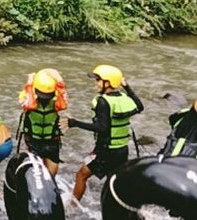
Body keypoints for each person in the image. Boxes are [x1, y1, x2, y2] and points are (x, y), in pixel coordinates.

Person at [61, 65, 144, 202]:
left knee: (81, 175)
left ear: (108, 83)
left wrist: (75, 123)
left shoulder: (103, 101)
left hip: (106, 151)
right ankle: (128, 208)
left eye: (98, 80)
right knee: (114, 182)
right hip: (122, 149)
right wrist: (127, 87)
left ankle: (72, 208)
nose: (96, 83)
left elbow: (102, 128)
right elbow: (140, 106)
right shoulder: (123, 98)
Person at [18, 69, 68, 177]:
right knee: (50, 171)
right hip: (48, 142)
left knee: (37, 173)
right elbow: (63, 92)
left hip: (36, 141)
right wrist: (58, 77)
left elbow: (26, 94)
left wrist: (30, 80)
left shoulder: (27, 100)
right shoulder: (58, 100)